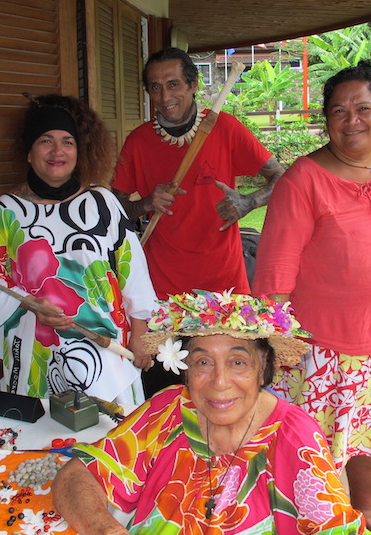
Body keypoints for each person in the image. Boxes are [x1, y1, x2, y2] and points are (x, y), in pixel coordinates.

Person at [252, 61, 371, 535]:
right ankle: (311, 519)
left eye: (363, 108)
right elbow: (275, 271)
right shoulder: (303, 179)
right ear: (326, 119)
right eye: (339, 111)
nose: (352, 120)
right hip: (326, 345)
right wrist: (274, 341)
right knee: (312, 442)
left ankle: (366, 511)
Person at [52, 290, 371, 535]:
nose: (219, 382)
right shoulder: (169, 409)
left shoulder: (294, 438)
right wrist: (110, 532)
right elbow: (78, 476)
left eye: (238, 363)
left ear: (265, 370)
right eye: (203, 362)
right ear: (186, 369)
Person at [112, 47, 285, 396]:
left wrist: (248, 202)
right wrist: (145, 203)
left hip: (225, 288)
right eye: (155, 87)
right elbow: (113, 208)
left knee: (228, 392)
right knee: (167, 396)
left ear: (193, 85)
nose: (164, 96)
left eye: (174, 84)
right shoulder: (138, 142)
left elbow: (281, 178)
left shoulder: (226, 129)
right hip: (161, 293)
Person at [0, 94, 156, 405]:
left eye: (67, 142)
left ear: (78, 151)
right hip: (35, 350)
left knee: (109, 439)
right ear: (29, 153)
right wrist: (29, 302)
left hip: (105, 347)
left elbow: (133, 273)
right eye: (46, 141)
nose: (58, 151)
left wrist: (141, 335)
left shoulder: (103, 203)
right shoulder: (6, 211)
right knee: (42, 445)